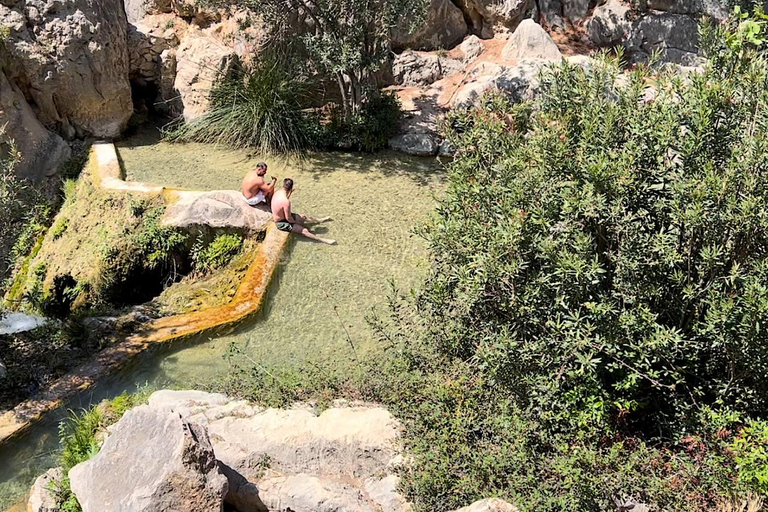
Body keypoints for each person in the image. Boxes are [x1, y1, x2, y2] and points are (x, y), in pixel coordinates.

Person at [272, 178, 335, 245]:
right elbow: (288, 219)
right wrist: (297, 223)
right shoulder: (286, 202)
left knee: (303, 216)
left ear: (283, 185)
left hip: (281, 216)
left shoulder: (278, 192)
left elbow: (283, 205)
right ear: (291, 187)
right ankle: (323, 240)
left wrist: (290, 192)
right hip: (281, 222)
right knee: (304, 230)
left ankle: (319, 220)